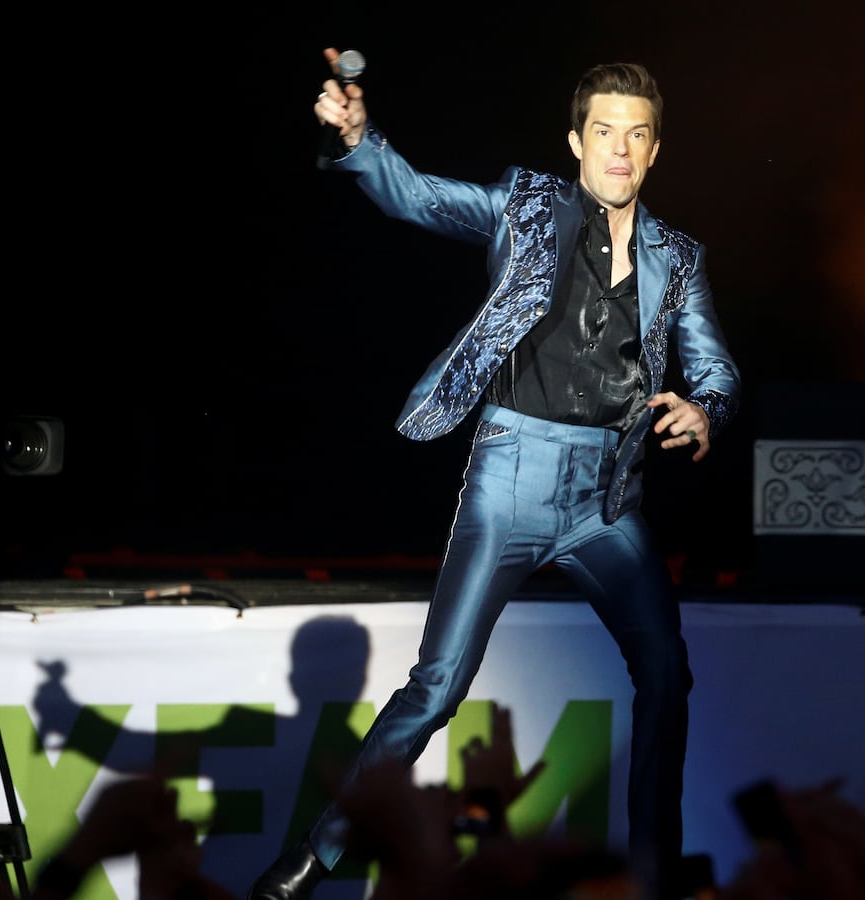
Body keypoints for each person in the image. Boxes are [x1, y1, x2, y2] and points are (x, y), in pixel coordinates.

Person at [249, 48, 743, 900]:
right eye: (604, 133)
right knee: (438, 686)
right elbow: (419, 197)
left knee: (666, 673)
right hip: (512, 472)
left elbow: (717, 369)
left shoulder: (681, 259)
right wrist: (362, 139)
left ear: (655, 151)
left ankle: (654, 880)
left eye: (636, 136)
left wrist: (706, 409)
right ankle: (311, 860)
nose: (619, 150)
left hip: (607, 500)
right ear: (576, 141)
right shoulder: (527, 205)